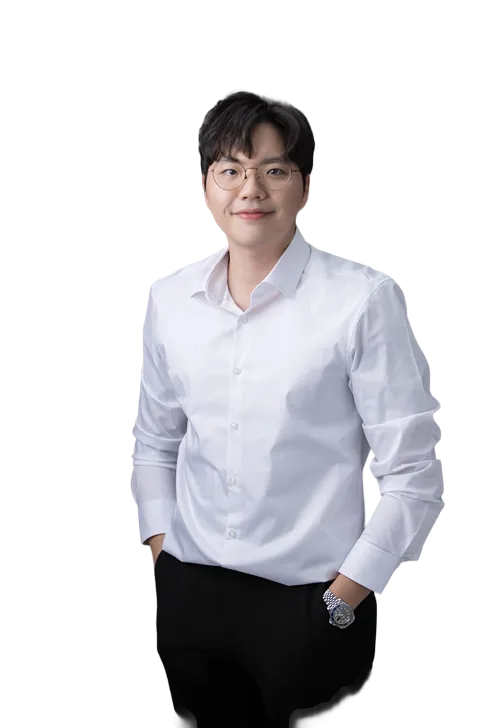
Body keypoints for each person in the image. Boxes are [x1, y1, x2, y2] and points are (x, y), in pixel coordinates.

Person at [130, 88, 444, 728]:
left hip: (311, 606)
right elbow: (156, 441)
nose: (251, 189)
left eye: (273, 169)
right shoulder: (169, 298)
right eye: (230, 170)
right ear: (206, 187)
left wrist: (343, 599)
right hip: (189, 596)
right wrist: (163, 551)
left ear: (304, 187)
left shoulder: (362, 299)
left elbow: (414, 476)